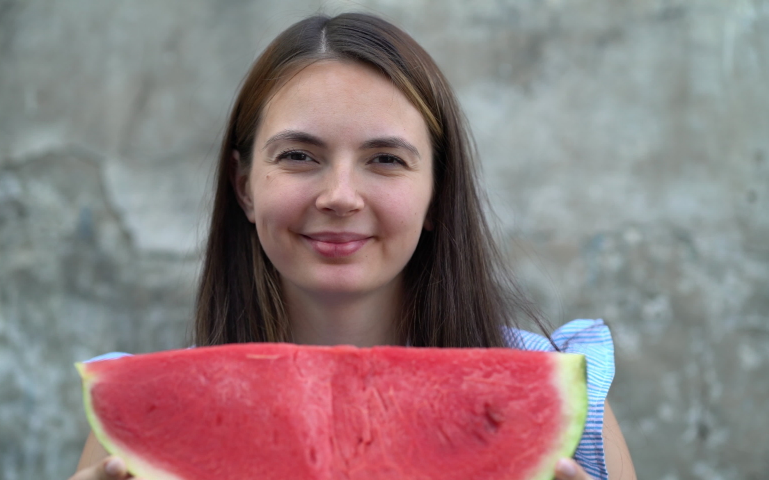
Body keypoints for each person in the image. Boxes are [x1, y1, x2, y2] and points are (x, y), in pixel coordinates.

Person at [70, 13, 636, 480]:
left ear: (437, 195)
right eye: (298, 156)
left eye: (386, 160)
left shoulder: (573, 416)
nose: (340, 196)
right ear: (243, 186)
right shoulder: (143, 425)